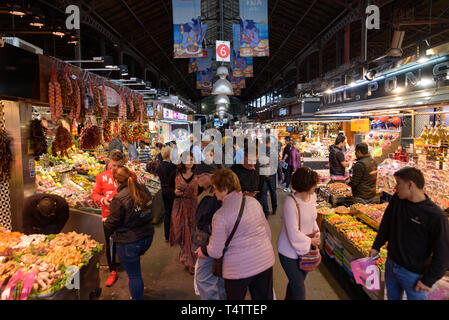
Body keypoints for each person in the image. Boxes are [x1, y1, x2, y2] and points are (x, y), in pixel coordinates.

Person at [370, 167, 449, 300]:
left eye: (398, 183)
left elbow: (443, 253)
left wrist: (428, 280)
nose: (395, 188)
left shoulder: (435, 216)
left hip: (413, 274)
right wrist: (376, 245)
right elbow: (386, 223)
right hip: (391, 263)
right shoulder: (397, 199)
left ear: (410, 184)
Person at [197, 168, 275, 300]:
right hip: (265, 263)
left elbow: (216, 252)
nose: (214, 192)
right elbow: (268, 233)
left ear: (225, 189)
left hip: (239, 269)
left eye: (215, 188)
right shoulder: (253, 202)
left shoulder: (221, 215)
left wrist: (204, 250)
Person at [104, 166, 154, 300]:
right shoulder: (143, 189)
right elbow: (150, 209)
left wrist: (105, 226)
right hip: (147, 236)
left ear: (116, 181)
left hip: (130, 242)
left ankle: (136, 296)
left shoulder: (119, 198)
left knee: (134, 275)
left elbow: (111, 223)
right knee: (135, 271)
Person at [91, 150, 135, 287]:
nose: (115, 168)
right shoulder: (101, 177)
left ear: (124, 163)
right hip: (108, 218)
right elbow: (94, 194)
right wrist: (103, 200)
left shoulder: (131, 175)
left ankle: (131, 272)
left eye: (118, 165)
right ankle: (112, 270)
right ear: (109, 162)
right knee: (110, 245)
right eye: (113, 165)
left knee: (128, 245)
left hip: (127, 218)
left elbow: (136, 193)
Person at [278, 167, 321, 300]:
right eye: (314, 183)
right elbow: (292, 233)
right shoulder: (290, 203)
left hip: (305, 250)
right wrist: (311, 241)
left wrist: (316, 232)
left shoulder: (312, 197)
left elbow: (312, 218)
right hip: (288, 253)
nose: (316, 186)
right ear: (306, 185)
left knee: (294, 285)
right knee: (299, 288)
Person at [192, 163, 226, 300]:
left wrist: (206, 249)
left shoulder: (215, 195)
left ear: (209, 175)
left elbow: (217, 226)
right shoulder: (211, 191)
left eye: (198, 176)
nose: (196, 179)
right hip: (213, 244)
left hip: (210, 244)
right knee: (219, 278)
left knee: (204, 279)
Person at [170, 154, 198, 274]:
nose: (189, 161)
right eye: (187, 159)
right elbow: (166, 190)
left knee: (191, 235)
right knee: (181, 233)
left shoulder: (198, 174)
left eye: (191, 159)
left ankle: (190, 261)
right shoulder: (175, 174)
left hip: (193, 207)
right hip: (179, 207)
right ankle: (185, 256)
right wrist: (174, 192)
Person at [157, 146, 177, 242]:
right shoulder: (173, 166)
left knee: (167, 213)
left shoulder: (159, 166)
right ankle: (174, 234)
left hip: (163, 191)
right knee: (174, 213)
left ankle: (167, 236)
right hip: (172, 191)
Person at [260, 137, 280, 217]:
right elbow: (277, 164)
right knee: (273, 192)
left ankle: (266, 212)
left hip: (263, 174)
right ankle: (274, 209)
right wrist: (280, 175)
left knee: (264, 193)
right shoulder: (274, 151)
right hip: (271, 174)